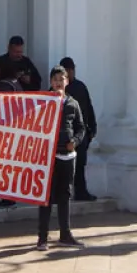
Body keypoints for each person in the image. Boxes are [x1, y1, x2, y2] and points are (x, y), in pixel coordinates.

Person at [37, 65, 86, 251]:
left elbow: (81, 127)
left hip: (68, 157)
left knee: (65, 196)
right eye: (55, 79)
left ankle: (65, 234)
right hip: (49, 157)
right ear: (50, 82)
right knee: (46, 197)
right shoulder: (44, 101)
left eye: (61, 79)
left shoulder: (73, 103)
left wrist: (75, 141)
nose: (58, 83)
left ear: (67, 81)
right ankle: (42, 237)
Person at [60, 57, 98, 201]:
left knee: (80, 164)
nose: (70, 73)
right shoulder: (58, 89)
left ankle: (81, 191)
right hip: (64, 134)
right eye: (67, 71)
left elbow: (88, 107)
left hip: (80, 133)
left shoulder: (80, 86)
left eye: (72, 70)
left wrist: (92, 128)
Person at [0, 59, 24, 208]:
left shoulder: (3, 85)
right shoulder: (17, 85)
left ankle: (6, 197)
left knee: (3, 166)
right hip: (17, 132)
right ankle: (11, 196)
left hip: (5, 133)